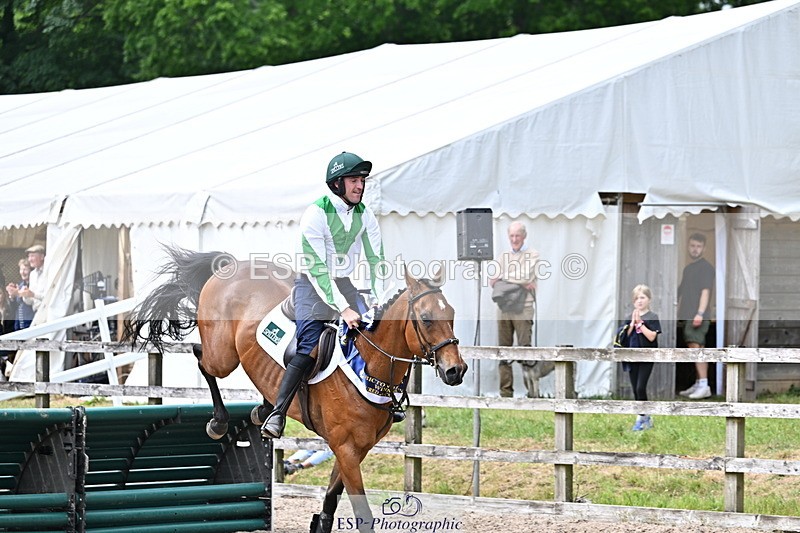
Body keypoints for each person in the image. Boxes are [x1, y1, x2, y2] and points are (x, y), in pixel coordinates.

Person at [261, 151, 387, 439]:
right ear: (337, 185)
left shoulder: (365, 214)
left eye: (362, 180)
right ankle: (277, 412)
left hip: (343, 283)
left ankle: (382, 401)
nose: (360, 186)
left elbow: (376, 259)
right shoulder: (315, 214)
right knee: (309, 343)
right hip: (311, 286)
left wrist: (378, 298)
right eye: (354, 180)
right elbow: (318, 270)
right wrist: (343, 308)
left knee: (375, 332)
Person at [490, 222, 540, 398]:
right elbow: (492, 280)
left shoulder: (533, 254)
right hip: (504, 308)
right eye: (511, 236)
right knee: (503, 351)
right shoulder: (503, 256)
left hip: (524, 309)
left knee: (525, 350)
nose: (514, 239)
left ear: (524, 236)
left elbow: (526, 275)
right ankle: (505, 393)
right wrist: (519, 281)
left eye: (517, 235)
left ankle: (532, 393)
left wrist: (503, 278)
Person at [677, 233, 715, 400]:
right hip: (687, 314)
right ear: (688, 246)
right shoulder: (688, 268)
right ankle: (699, 383)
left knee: (696, 348)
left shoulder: (706, 268)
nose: (695, 249)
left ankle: (704, 385)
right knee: (695, 348)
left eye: (698, 246)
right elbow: (681, 292)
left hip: (698, 316)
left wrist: (699, 313)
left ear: (704, 248)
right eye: (692, 246)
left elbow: (705, 292)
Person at [621, 285, 661, 431]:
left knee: (640, 386)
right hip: (633, 357)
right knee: (635, 389)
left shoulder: (652, 317)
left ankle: (642, 417)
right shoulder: (629, 318)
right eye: (636, 298)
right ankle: (644, 416)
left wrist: (640, 324)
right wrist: (632, 323)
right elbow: (623, 337)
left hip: (647, 357)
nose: (639, 301)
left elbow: (652, 337)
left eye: (642, 297)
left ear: (649, 299)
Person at [6, 258, 35, 331]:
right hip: (19, 324)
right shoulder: (20, 285)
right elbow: (15, 307)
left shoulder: (34, 285)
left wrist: (19, 293)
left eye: (25, 269)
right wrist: (12, 296)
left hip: (30, 323)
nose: (22, 272)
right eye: (21, 269)